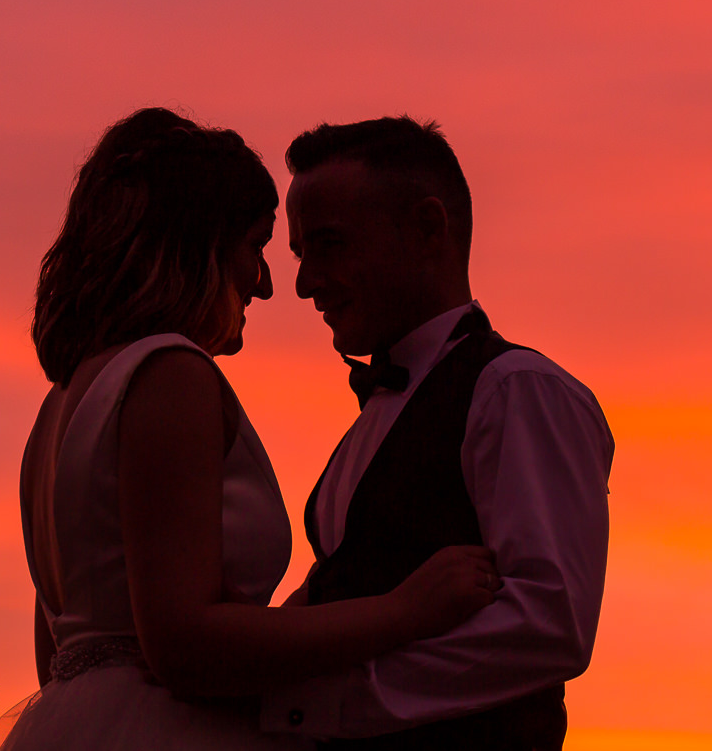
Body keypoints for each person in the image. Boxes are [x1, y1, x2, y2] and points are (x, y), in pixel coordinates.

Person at [0, 108, 503, 751]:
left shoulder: (60, 405)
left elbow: (60, 654)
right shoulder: (171, 373)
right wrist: (404, 611)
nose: (263, 285)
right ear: (195, 246)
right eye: (255, 247)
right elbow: (184, 645)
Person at [260, 116, 615, 750]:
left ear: (428, 229)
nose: (304, 282)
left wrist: (328, 704)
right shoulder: (371, 423)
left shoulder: (517, 389)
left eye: (329, 245)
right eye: (300, 254)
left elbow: (548, 622)